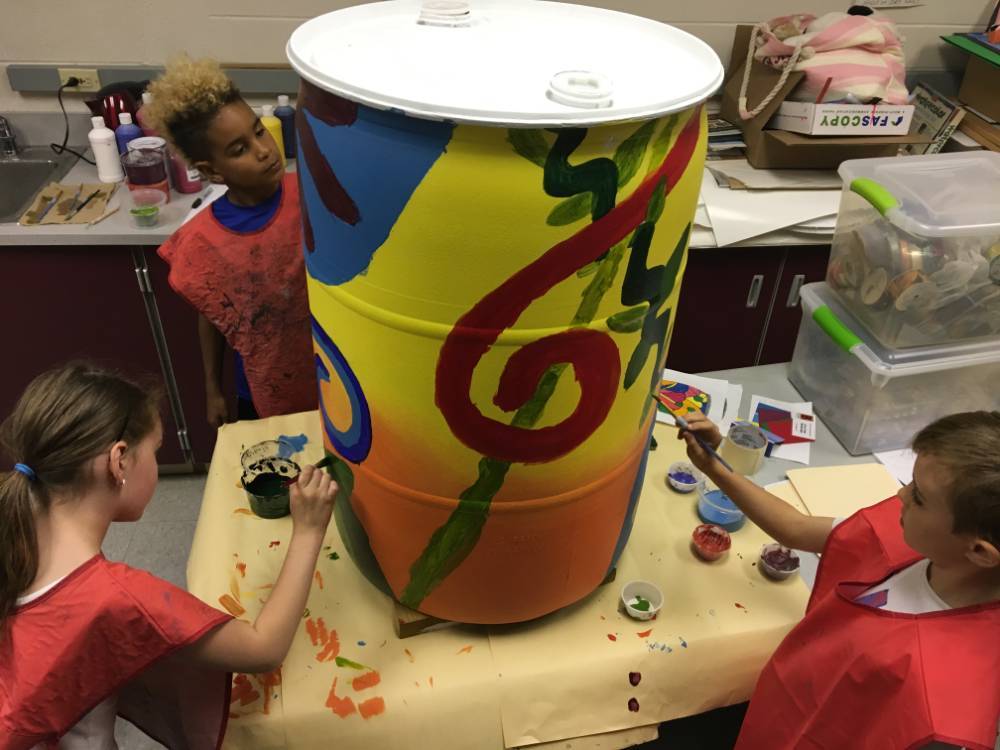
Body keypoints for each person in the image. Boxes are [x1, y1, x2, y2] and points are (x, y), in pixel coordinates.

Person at [0, 363, 337, 748]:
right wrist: (309, 530)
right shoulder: (115, 598)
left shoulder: (18, 525)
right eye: (155, 451)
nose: (156, 466)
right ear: (119, 460)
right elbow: (263, 649)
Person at [679, 410, 1000, 750]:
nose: (900, 497)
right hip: (782, 705)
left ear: (981, 553)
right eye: (909, 483)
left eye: (918, 497)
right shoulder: (916, 537)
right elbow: (797, 528)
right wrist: (716, 464)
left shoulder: (940, 711)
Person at [144, 55, 314, 425]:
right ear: (212, 171)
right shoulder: (203, 244)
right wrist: (212, 389)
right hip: (260, 387)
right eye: (239, 150)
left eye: (258, 131)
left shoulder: (309, 197)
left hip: (329, 373)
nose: (264, 150)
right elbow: (213, 314)